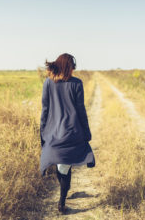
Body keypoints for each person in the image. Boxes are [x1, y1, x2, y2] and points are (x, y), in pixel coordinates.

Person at [40, 53, 95, 214]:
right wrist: (87, 132)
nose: (74, 70)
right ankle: (61, 203)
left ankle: (64, 194)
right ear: (67, 67)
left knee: (62, 166)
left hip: (53, 134)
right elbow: (81, 111)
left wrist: (42, 133)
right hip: (72, 133)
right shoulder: (77, 83)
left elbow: (45, 110)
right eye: (72, 67)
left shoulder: (48, 83)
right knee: (65, 166)